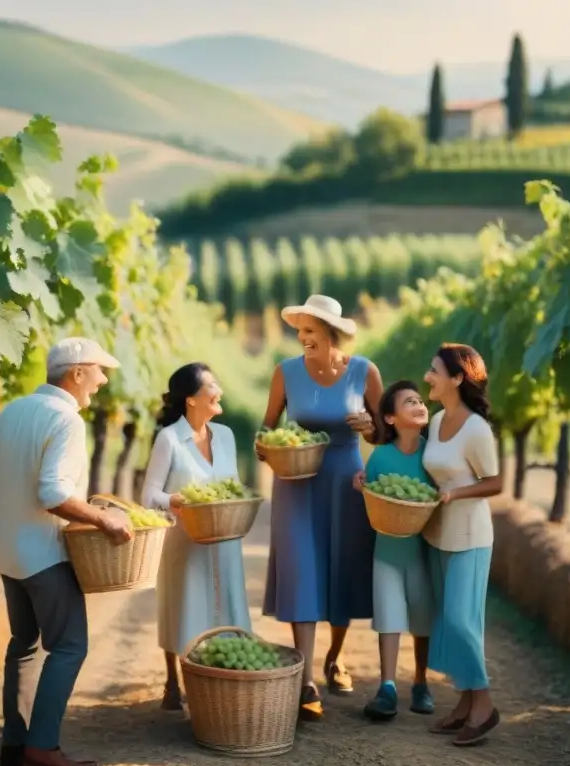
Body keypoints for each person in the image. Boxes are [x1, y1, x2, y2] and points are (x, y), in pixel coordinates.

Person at [0, 337, 132, 766]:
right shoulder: (67, 421)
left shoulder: (12, 411)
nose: (101, 382)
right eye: (98, 372)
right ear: (76, 373)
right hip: (44, 555)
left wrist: (11, 505)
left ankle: (15, 746)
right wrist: (104, 519)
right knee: (69, 646)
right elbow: (52, 494)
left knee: (24, 643)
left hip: (7, 551)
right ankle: (42, 748)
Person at [260, 294, 383, 720]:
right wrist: (266, 445)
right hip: (296, 482)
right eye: (300, 331)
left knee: (341, 571)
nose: (302, 338)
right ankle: (306, 677)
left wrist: (371, 427)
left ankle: (335, 656)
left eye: (309, 331)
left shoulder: (365, 373)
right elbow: (267, 426)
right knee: (302, 571)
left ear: (331, 334)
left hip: (346, 481)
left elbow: (384, 433)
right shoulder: (286, 373)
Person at [142, 362, 251, 711]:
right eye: (212, 386)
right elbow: (149, 496)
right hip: (184, 540)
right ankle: (174, 681)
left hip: (225, 537)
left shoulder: (227, 437)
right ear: (191, 400)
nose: (219, 391)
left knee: (227, 606)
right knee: (182, 606)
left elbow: (231, 485)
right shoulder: (169, 439)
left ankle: (222, 684)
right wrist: (175, 500)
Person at [421, 343, 504, 747]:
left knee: (460, 621)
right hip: (437, 533)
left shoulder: (476, 429)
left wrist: (456, 495)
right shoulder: (436, 421)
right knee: (448, 624)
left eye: (434, 370)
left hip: (470, 536)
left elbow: (496, 482)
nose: (427, 377)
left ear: (457, 378)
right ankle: (464, 704)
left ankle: (484, 706)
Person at [353, 381, 436, 722]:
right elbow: (373, 497)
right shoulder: (381, 456)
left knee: (422, 617)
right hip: (386, 551)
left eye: (420, 400)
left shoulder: (433, 455)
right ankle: (387, 686)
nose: (418, 404)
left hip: (421, 552)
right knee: (388, 617)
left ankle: (420, 680)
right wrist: (360, 485)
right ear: (389, 417)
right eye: (409, 402)